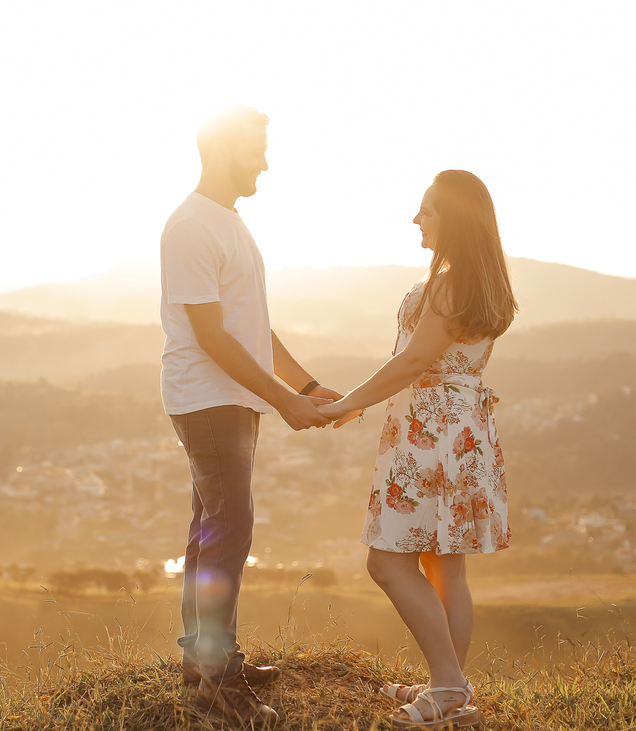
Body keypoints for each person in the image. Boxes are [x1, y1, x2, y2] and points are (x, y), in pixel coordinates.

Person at [160, 107, 341, 729]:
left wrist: (306, 385)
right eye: (256, 148)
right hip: (210, 397)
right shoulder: (190, 227)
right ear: (220, 148)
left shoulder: (227, 222)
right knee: (229, 529)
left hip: (230, 397)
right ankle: (215, 679)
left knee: (210, 530)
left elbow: (251, 326)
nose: (265, 160)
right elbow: (212, 336)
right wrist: (285, 401)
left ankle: (207, 662)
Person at [318, 170, 517, 729]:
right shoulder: (482, 282)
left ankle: (449, 683)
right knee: (442, 564)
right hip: (462, 431)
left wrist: (345, 404)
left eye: (425, 210)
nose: (415, 219)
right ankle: (447, 683)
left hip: (430, 431)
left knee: (387, 562)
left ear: (451, 217)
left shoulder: (451, 284)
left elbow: (412, 362)